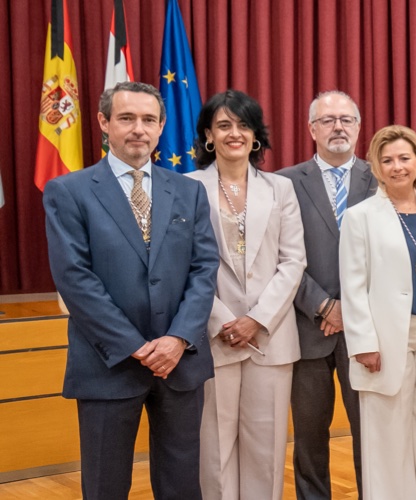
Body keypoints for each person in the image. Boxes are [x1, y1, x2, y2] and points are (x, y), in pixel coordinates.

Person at [44, 81, 219, 499]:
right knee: (106, 485)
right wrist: (136, 347)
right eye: (126, 118)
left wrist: (177, 338)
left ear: (160, 128)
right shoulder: (69, 191)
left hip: (180, 363)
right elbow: (74, 277)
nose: (138, 129)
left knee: (181, 484)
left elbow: (204, 269)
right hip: (109, 363)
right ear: (104, 123)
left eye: (148, 120)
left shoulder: (190, 191)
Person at [186, 89, 308, 500]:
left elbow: (293, 261)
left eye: (243, 125)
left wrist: (257, 319)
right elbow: (183, 266)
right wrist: (223, 321)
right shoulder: (185, 188)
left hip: (269, 336)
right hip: (211, 334)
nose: (233, 133)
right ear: (208, 136)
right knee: (214, 448)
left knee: (266, 448)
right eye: (223, 125)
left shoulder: (280, 189)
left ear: (256, 136)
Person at [340, 125, 416, 499]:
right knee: (387, 434)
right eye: (387, 160)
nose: (397, 167)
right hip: (386, 339)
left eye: (405, 158)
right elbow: (353, 286)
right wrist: (363, 343)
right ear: (375, 167)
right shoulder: (360, 217)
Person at [279, 90, 378, 500]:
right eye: (327, 120)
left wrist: (350, 308)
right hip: (306, 329)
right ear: (311, 129)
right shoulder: (284, 182)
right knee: (308, 438)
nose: (338, 127)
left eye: (346, 119)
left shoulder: (383, 177)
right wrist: (323, 304)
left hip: (368, 334)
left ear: (358, 127)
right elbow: (279, 256)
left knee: (371, 434)